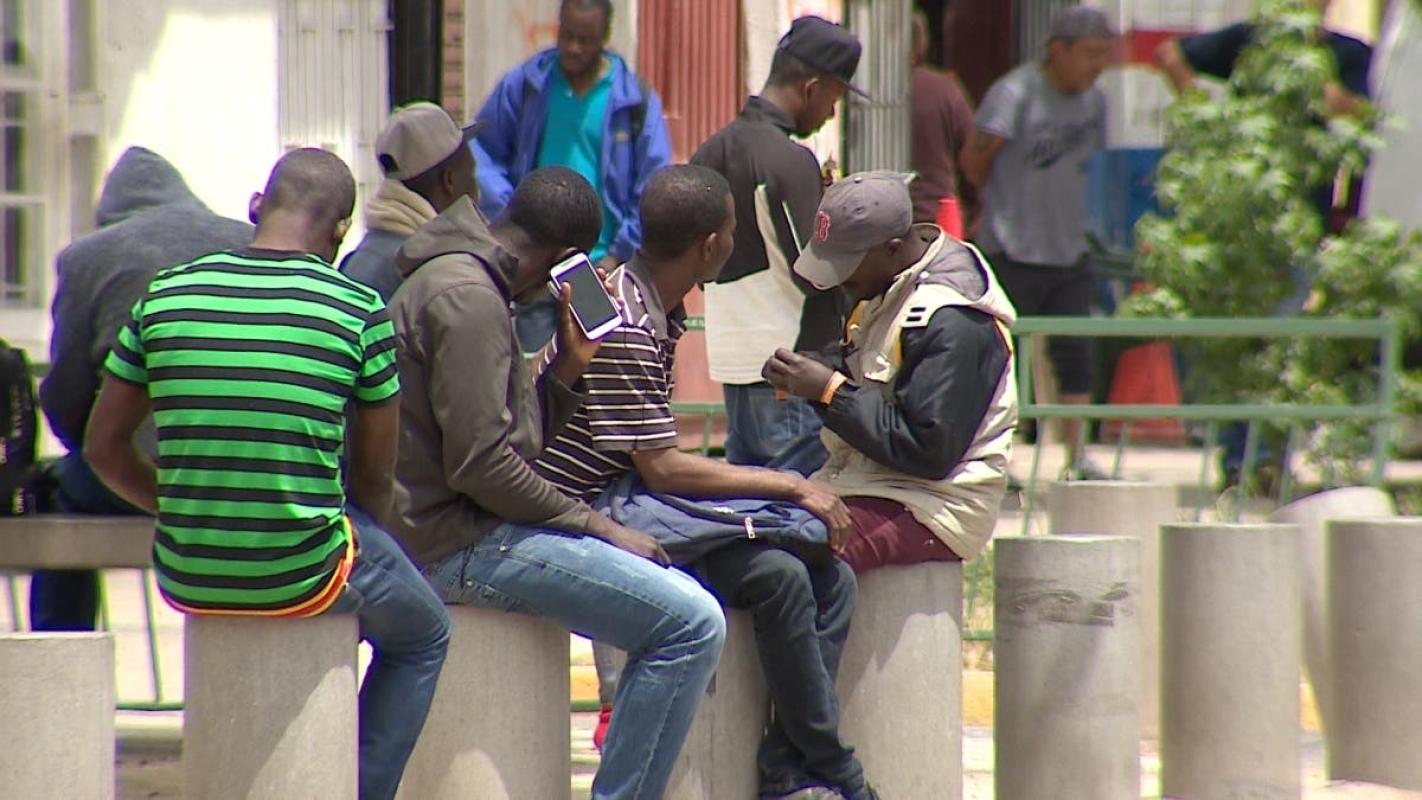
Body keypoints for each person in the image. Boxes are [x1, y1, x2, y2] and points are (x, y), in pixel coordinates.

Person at [83, 148, 450, 800]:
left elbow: (103, 450)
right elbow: (374, 476)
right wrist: (373, 537)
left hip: (187, 569)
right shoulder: (356, 308)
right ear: (341, 230)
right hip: (303, 569)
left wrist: (180, 504)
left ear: (257, 205)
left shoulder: (166, 293)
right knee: (425, 635)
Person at [532, 164, 878, 800]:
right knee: (780, 575)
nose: (734, 242)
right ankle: (834, 768)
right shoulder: (627, 321)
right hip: (584, 514)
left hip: (633, 499)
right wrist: (790, 485)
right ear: (710, 244)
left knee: (827, 578)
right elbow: (662, 466)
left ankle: (791, 764)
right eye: (733, 231)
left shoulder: (648, 299)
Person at [385, 165, 726, 799]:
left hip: (464, 525)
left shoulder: (471, 283)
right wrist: (599, 527)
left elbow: (504, 442)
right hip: (453, 544)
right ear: (567, 258)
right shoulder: (470, 300)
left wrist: (568, 366)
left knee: (684, 608)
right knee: (693, 624)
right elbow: (483, 468)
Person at [31, 147, 252, 632]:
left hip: (138, 472)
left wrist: (93, 450)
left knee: (55, 493)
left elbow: (67, 393)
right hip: (249, 473)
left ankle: (62, 652)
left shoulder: (89, 257)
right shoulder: (247, 241)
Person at [1155, 0, 1372, 491]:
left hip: (1302, 222)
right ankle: (1240, 458)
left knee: (1281, 341)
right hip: (1241, 217)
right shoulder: (1249, 40)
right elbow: (1171, 54)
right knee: (1240, 341)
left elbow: (1363, 110)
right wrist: (1208, 114)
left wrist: (1318, 84)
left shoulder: (1347, 53)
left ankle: (1270, 455)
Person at [762, 171, 1017, 574]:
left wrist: (830, 390)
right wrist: (816, 373)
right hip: (864, 483)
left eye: (847, 266)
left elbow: (927, 451)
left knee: (786, 562)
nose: (840, 281)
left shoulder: (955, 320)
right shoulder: (890, 283)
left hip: (933, 506)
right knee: (745, 530)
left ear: (892, 249)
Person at [691, 15, 865, 469]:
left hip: (734, 365)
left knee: (750, 498)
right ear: (811, 88)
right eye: (834, 98)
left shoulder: (709, 151)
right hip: (791, 369)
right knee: (796, 498)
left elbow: (697, 271)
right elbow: (816, 272)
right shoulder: (788, 159)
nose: (831, 113)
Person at [959, 5, 1113, 480]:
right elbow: (974, 160)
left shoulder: (1094, 102)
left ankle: (1077, 458)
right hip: (1013, 246)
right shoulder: (1015, 93)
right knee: (1001, 359)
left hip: (1070, 247)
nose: (1098, 65)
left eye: (1104, 54)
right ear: (1057, 50)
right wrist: (1001, 204)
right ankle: (994, 460)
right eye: (1089, 53)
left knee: (1075, 355)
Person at [472, 0, 672, 350]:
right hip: (535, 269)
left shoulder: (634, 100)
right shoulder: (527, 85)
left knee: (595, 372)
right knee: (532, 373)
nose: (573, 48)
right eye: (566, 36)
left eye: (585, 39)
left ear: (605, 38)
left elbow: (653, 187)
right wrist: (515, 221)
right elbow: (483, 154)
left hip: (600, 271)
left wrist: (617, 254)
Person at [340, 101, 481, 302]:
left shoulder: (362, 257)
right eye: (472, 175)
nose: (478, 190)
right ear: (449, 180)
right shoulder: (428, 269)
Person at [909, 10, 976, 229]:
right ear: (922, 46)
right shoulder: (945, 89)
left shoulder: (869, 95)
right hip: (938, 218)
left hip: (881, 220)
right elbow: (973, 153)